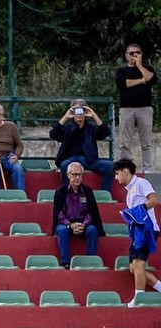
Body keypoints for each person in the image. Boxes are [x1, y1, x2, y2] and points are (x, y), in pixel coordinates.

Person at [116, 159, 161, 306]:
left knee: (138, 263)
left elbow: (154, 200)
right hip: (137, 231)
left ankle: (138, 298)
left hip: (146, 230)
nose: (116, 178)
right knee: (133, 268)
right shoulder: (129, 192)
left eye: (117, 174)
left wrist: (138, 211)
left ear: (125, 171)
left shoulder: (141, 183)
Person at [51, 100, 114, 193]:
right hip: (71, 160)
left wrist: (93, 115)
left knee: (110, 166)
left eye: (82, 110)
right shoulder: (68, 128)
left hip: (90, 160)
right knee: (64, 165)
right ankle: (68, 193)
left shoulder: (91, 128)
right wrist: (66, 117)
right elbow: (53, 134)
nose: (79, 114)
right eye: (76, 110)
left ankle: (105, 193)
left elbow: (105, 132)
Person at [53, 164, 104, 268]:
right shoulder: (61, 191)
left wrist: (83, 225)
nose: (77, 178)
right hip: (66, 224)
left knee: (93, 230)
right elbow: (59, 213)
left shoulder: (87, 191)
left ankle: (91, 261)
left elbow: (92, 212)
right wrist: (70, 225)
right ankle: (65, 262)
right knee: (62, 230)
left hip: (83, 224)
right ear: (68, 175)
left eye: (79, 175)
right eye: (74, 174)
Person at [117, 44, 155, 173]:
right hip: (127, 109)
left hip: (145, 108)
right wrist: (142, 81)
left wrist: (139, 65)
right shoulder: (122, 71)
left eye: (137, 53)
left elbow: (150, 78)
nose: (134, 55)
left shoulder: (148, 68)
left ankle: (148, 169)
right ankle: (126, 168)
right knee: (124, 142)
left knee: (146, 142)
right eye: (131, 53)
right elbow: (123, 84)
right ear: (126, 56)